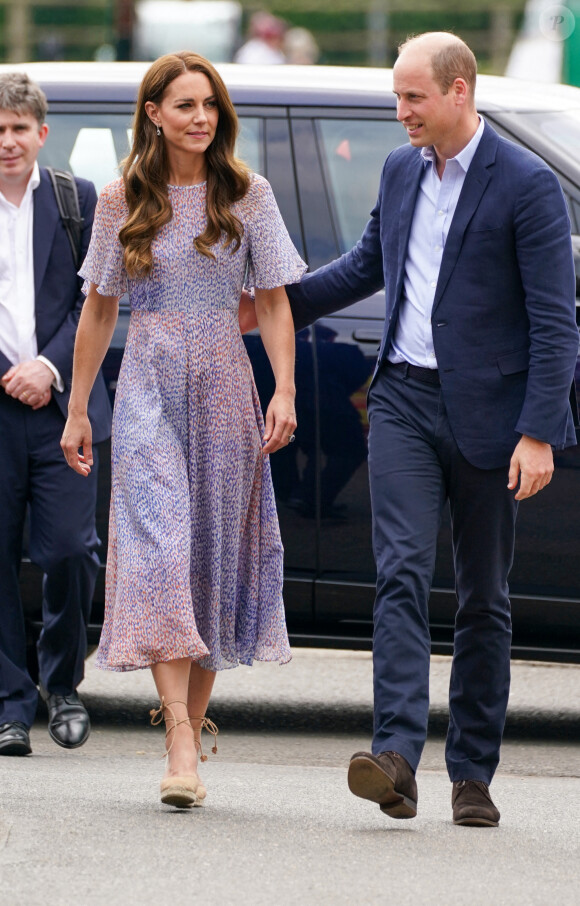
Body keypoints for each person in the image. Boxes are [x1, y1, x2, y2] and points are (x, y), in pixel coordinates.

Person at [242, 32, 579, 826]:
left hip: (494, 418)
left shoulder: (525, 185)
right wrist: (268, 305)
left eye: (413, 98)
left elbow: (555, 324)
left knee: (484, 599)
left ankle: (472, 773)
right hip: (400, 399)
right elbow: (365, 265)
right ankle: (395, 756)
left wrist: (538, 433)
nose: (400, 113)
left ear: (459, 92)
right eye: (397, 98)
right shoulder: (400, 171)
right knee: (396, 571)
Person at [61, 51, 306, 809]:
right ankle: (177, 739)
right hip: (147, 388)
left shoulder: (248, 194)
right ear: (154, 114)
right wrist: (76, 408)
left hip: (228, 387)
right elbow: (100, 309)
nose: (200, 117)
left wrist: (285, 389)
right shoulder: (119, 201)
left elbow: (272, 301)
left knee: (208, 558)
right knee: (162, 549)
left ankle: (190, 737)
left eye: (209, 104)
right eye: (185, 105)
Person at [0, 73, 111, 757]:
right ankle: (10, 700)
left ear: (42, 133)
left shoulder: (78, 201)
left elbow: (95, 301)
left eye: (17, 128)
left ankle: (62, 682)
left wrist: (49, 367)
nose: (6, 141)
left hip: (64, 406)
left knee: (72, 549)